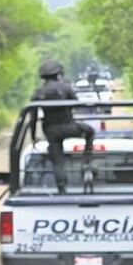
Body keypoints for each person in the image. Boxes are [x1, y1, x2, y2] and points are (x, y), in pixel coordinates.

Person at [30, 59, 95, 192]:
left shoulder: (38, 92)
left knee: (58, 161)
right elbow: (75, 104)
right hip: (68, 127)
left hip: (51, 131)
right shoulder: (66, 88)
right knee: (89, 132)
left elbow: (33, 118)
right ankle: (86, 162)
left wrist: (33, 137)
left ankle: (61, 187)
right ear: (58, 73)